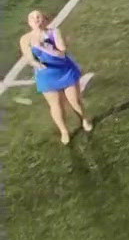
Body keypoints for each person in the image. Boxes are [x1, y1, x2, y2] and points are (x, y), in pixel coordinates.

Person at [19, 10, 89, 144]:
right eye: (32, 18)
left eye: (38, 16)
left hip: (64, 70)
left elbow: (61, 52)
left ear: (45, 20)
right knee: (55, 105)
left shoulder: (54, 32)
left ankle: (84, 118)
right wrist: (37, 64)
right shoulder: (25, 39)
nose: (36, 19)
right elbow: (29, 58)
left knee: (74, 100)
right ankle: (64, 131)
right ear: (29, 23)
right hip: (46, 76)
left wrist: (43, 46)